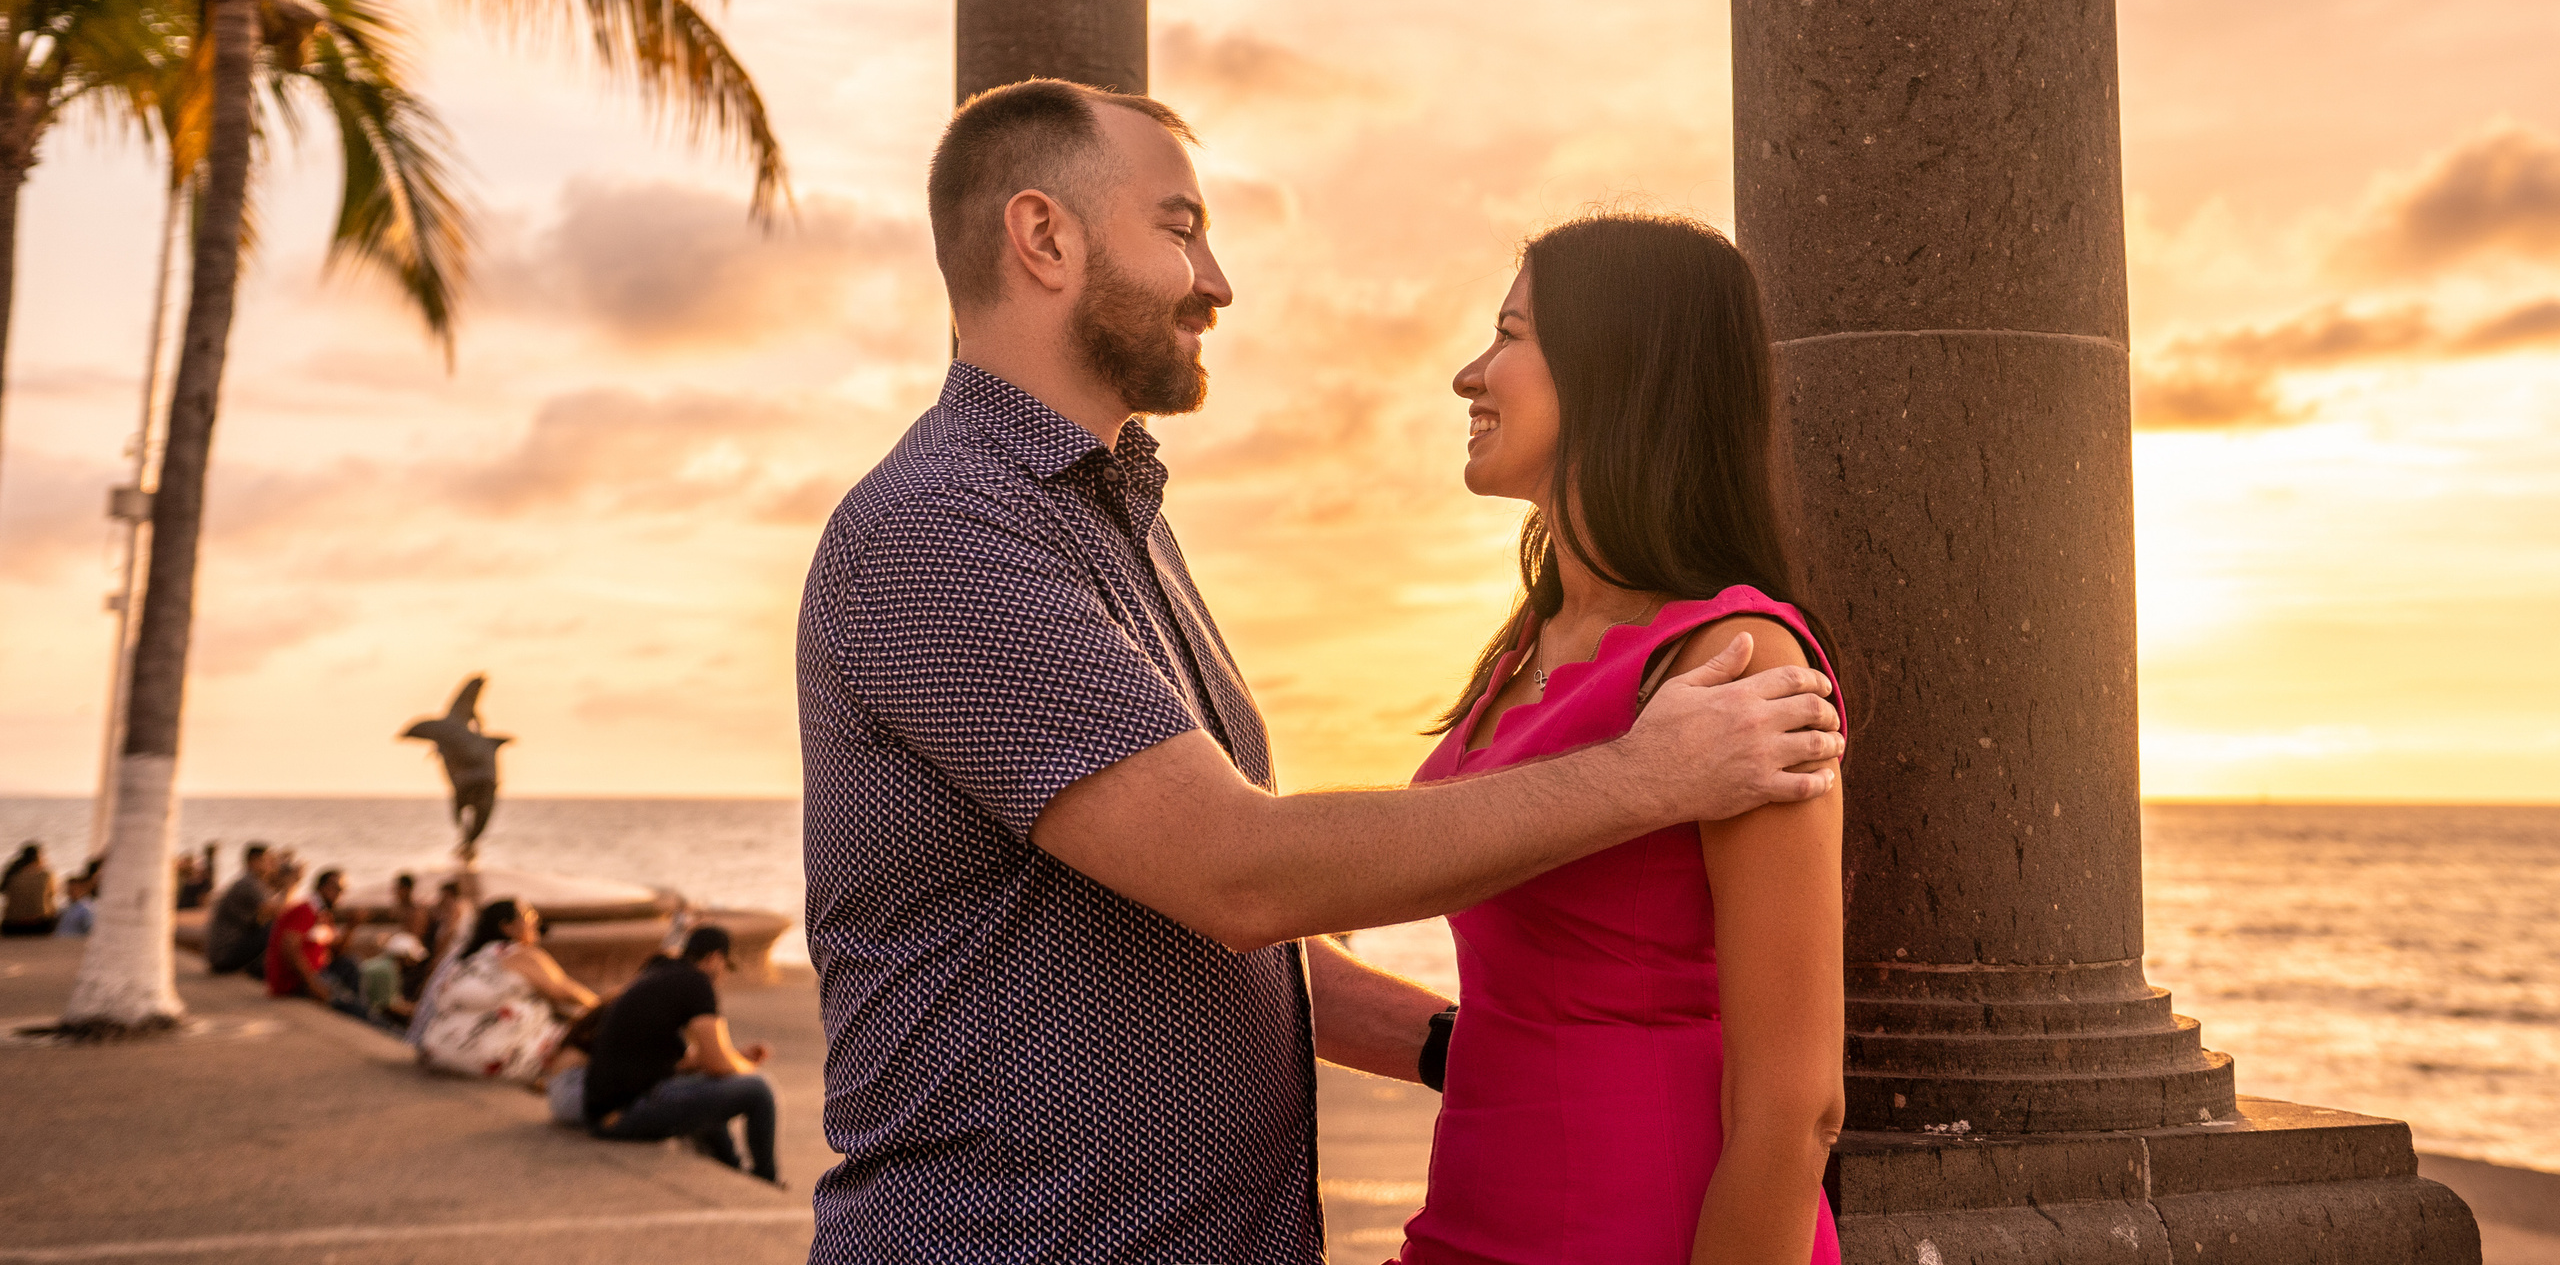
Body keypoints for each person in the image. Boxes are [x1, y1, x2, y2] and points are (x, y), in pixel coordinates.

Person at [795, 80, 1845, 1260]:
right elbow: (1237, 877)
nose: (1217, 279)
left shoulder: (1114, 523)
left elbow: (1212, 928)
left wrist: (1471, 1053)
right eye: (1180, 227)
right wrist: (1651, 776)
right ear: (1045, 238)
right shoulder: (944, 530)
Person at [1395, 214, 1846, 1264]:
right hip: (1463, 1227)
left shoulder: (1735, 657)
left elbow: (1794, 1108)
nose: (1472, 373)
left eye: (1510, 334)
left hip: (1642, 1232)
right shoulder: (1526, 646)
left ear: (1619, 368)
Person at [584, 926, 777, 1185]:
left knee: (708, 1090)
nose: (722, 977)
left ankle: (731, 1168)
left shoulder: (658, 974)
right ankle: (767, 1180)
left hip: (604, 1113)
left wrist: (734, 1056)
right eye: (723, 967)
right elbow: (717, 1064)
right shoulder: (696, 981)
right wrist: (744, 1065)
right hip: (626, 1113)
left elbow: (682, 1063)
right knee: (759, 1090)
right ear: (714, 958)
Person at [411, 898, 597, 1082]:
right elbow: (566, 991)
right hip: (489, 1058)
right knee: (581, 1034)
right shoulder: (520, 954)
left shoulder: (472, 956)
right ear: (507, 927)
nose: (535, 919)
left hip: (440, 1052)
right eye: (527, 914)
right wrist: (604, 1011)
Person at [267, 867, 365, 1012]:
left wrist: (351, 927)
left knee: (350, 964)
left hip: (317, 972)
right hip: (296, 981)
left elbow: (336, 952)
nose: (339, 894)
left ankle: (358, 1007)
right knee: (349, 1005)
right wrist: (314, 984)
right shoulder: (305, 909)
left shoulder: (323, 914)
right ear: (322, 887)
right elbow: (289, 947)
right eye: (336, 889)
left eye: (342, 890)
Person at [205, 843, 286, 974]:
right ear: (254, 861)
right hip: (224, 956)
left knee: (269, 926)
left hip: (221, 955)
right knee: (275, 927)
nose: (272, 864)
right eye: (267, 860)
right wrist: (290, 884)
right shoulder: (249, 883)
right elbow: (280, 913)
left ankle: (262, 969)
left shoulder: (253, 882)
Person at [2, 843, 59, 936]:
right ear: (38, 857)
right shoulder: (46, 875)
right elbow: (52, 895)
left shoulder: (11, 873)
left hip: (11, 925)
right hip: (40, 925)